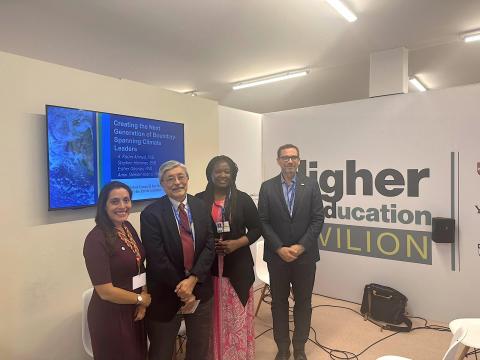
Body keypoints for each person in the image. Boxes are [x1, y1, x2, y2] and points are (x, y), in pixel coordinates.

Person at [141, 160, 215, 360]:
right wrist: (181, 288)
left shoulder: (201, 206)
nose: (176, 182)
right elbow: (157, 258)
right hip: (165, 293)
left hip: (199, 289)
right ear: (162, 184)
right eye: (170, 179)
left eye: (180, 177)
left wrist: (192, 281)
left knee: (199, 348)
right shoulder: (151, 214)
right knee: (162, 351)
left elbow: (210, 245)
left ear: (188, 179)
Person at [258, 144, 324, 360]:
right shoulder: (267, 187)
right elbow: (263, 221)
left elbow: (317, 219)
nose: (290, 161)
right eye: (285, 158)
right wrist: (279, 247)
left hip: (305, 256)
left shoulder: (311, 185)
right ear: (278, 161)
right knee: (279, 303)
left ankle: (300, 347)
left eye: (294, 157)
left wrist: (300, 246)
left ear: (299, 160)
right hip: (277, 258)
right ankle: (283, 347)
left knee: (303, 302)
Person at [196, 155, 261, 360]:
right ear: (210, 174)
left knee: (236, 317)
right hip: (209, 269)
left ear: (233, 173)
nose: (223, 175)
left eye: (227, 171)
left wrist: (236, 243)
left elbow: (257, 228)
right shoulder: (198, 200)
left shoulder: (243, 199)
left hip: (237, 268)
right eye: (218, 171)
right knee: (211, 318)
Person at [83, 181, 151, 360]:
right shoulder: (95, 240)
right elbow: (105, 291)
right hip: (110, 316)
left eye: (126, 200)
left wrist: (143, 301)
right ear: (104, 206)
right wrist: (139, 299)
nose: (122, 206)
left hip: (135, 311)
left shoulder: (127, 227)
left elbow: (139, 264)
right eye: (115, 201)